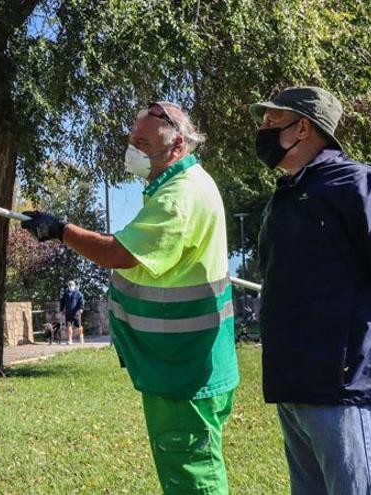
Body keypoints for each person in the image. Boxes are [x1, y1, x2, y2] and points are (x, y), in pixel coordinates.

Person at [21, 101, 238, 495]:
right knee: (189, 467)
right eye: (131, 139)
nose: (132, 149)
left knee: (192, 474)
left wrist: (60, 230)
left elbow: (119, 253)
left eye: (142, 142)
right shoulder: (185, 184)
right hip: (185, 364)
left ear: (176, 148)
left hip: (184, 370)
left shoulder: (179, 197)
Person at [250, 86, 371, 494]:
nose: (263, 129)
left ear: (303, 127)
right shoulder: (287, 196)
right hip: (293, 386)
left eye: (272, 120)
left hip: (343, 388)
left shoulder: (361, 186)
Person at [59, 280, 85, 344]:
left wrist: (81, 308)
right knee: (69, 325)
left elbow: (81, 301)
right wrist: (61, 309)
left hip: (76, 313)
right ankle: (70, 340)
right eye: (69, 285)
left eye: (72, 285)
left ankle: (81, 337)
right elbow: (62, 302)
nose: (71, 286)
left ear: (74, 285)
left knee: (79, 326)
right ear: (68, 286)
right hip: (68, 313)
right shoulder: (65, 293)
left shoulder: (78, 293)